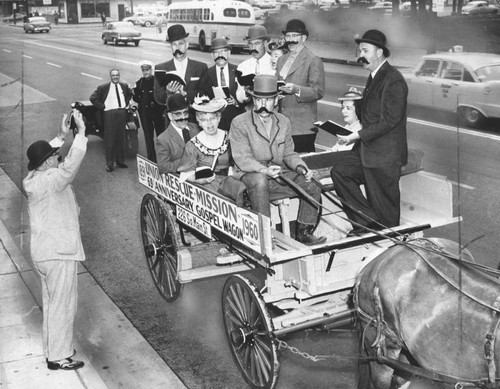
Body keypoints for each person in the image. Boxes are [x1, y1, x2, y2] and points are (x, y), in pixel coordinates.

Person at [23, 110, 87, 371]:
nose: (58, 160)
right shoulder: (52, 179)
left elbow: (51, 158)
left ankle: (54, 352)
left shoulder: (33, 179)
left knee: (52, 305)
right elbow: (70, 166)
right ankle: (60, 357)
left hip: (43, 253)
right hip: (59, 253)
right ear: (48, 163)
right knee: (63, 306)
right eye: (55, 158)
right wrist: (81, 133)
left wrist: (61, 136)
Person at [229, 75, 326, 246]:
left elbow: (289, 153)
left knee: (311, 184)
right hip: (250, 176)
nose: (263, 105)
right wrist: (264, 170)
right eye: (259, 100)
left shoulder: (284, 122)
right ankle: (264, 236)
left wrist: (302, 168)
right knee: (259, 181)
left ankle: (304, 232)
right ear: (253, 99)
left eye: (268, 100)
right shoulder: (239, 123)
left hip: (276, 176)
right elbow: (242, 158)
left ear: (276, 100)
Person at [330, 29, 408, 232]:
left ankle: (386, 241)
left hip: (384, 157)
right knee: (340, 172)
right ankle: (367, 222)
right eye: (359, 51)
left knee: (387, 215)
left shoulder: (393, 79)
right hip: (368, 151)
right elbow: (371, 114)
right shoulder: (374, 76)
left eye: (365, 50)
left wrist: (357, 135)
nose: (360, 56)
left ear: (380, 52)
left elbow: (391, 120)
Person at [177, 95, 246, 205]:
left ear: (218, 118)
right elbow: (186, 174)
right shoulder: (193, 144)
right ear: (199, 122)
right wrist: (199, 180)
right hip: (204, 187)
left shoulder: (228, 137)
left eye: (212, 118)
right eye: (204, 120)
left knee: (241, 189)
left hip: (227, 180)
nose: (209, 123)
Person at [276, 19, 325, 153]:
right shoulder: (281, 59)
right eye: (288, 36)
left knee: (301, 165)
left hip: (302, 127)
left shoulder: (313, 60)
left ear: (304, 38)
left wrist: (297, 89)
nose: (290, 40)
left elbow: (318, 92)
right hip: (282, 124)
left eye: (294, 36)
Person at [153, 24, 208, 127]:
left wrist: (186, 94)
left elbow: (206, 93)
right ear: (171, 47)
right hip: (173, 122)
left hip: (195, 120)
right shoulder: (161, 68)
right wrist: (168, 93)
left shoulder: (200, 67)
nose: (177, 47)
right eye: (174, 44)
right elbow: (158, 97)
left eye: (181, 44)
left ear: (187, 45)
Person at [90, 68, 133, 172]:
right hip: (109, 114)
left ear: (119, 76)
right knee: (110, 139)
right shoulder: (103, 87)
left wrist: (125, 104)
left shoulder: (124, 86)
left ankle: (120, 161)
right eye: (113, 75)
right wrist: (103, 107)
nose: (115, 77)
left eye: (117, 75)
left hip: (121, 113)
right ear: (110, 76)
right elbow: (93, 98)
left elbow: (129, 94)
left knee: (121, 138)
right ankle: (109, 164)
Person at [198, 38, 245, 131]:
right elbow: (202, 95)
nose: (220, 55)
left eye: (223, 51)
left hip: (236, 120)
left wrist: (236, 102)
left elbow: (246, 97)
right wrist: (211, 102)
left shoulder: (238, 71)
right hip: (216, 122)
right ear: (212, 55)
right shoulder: (206, 74)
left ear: (229, 53)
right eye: (216, 52)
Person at [156, 93, 200, 174]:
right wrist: (185, 162)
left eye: (185, 112)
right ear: (170, 116)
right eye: (178, 114)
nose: (183, 117)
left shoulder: (196, 128)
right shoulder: (163, 139)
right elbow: (162, 167)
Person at [133, 60, 165, 162]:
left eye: (147, 69)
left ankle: (163, 158)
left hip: (157, 112)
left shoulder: (157, 81)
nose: (145, 72)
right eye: (143, 70)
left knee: (161, 136)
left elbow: (162, 97)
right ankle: (152, 160)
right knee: (148, 137)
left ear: (151, 70)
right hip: (145, 114)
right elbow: (137, 98)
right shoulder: (139, 83)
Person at [235, 25, 275, 107]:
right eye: (250, 44)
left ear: (265, 43)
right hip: (249, 111)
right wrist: (245, 93)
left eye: (257, 43)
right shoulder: (242, 67)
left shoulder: (275, 64)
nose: (253, 48)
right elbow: (239, 95)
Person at [331, 88, 362, 153]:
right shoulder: (347, 127)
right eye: (342, 107)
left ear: (358, 110)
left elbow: (341, 152)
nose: (343, 111)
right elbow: (335, 148)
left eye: (348, 108)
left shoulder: (359, 131)